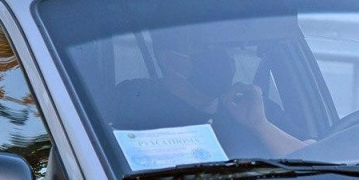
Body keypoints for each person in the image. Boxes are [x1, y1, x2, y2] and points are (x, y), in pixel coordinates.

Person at [112, 36, 309, 157]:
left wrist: (261, 125)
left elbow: (316, 161)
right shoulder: (135, 105)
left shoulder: (252, 105)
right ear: (170, 61)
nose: (221, 56)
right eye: (204, 47)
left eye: (222, 46)